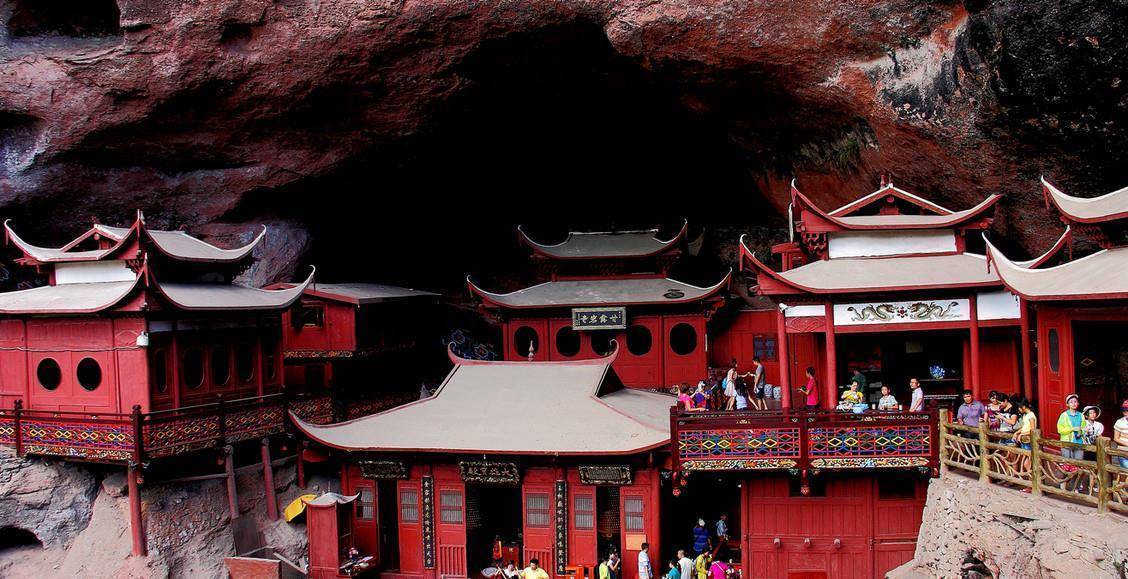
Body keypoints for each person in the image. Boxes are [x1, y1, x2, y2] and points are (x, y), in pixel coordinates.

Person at [1056, 393, 1085, 459]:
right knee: (1068, 463)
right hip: (1067, 442)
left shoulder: (1081, 415)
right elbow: (1060, 430)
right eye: (1071, 402)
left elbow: (1084, 428)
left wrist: (1081, 432)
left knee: (1079, 462)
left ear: (1078, 403)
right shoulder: (1064, 415)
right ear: (1067, 404)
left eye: (1075, 401)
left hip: (1079, 442)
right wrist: (1072, 429)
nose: (1074, 404)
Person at [1115, 400, 1128, 469]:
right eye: (1124, 410)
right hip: (1123, 451)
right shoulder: (1119, 422)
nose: (1125, 412)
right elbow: (1116, 438)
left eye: (1127, 410)